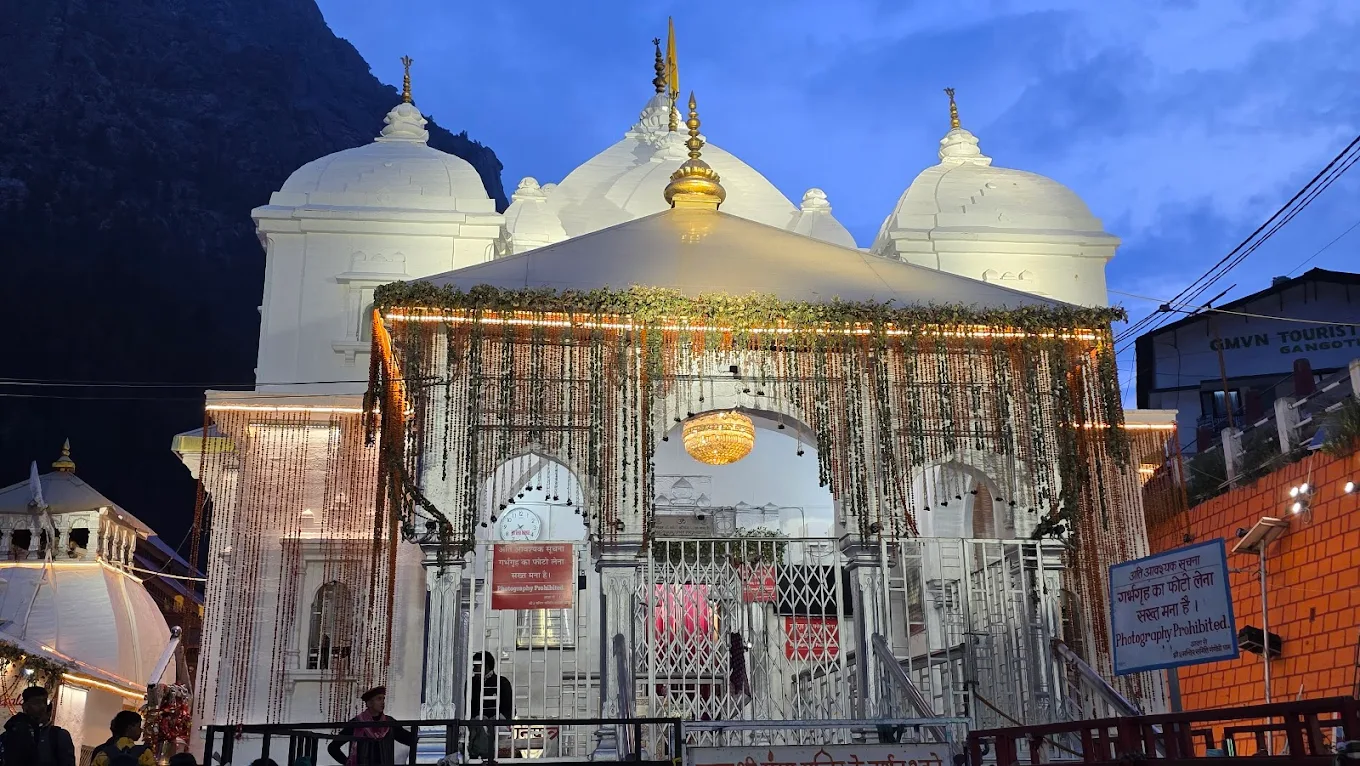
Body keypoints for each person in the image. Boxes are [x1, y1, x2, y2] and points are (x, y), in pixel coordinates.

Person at [326, 686, 415, 766]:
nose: (382, 702)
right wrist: (347, 763)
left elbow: (408, 739)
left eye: (383, 699)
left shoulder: (389, 723)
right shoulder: (357, 723)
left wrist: (416, 733)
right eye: (379, 699)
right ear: (369, 703)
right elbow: (333, 748)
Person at [0, 686, 76, 766]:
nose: (42, 707)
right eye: (37, 703)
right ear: (25, 707)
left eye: (44, 702)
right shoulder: (10, 734)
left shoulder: (58, 736)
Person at [466, 652, 513, 760]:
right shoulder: (471, 683)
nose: (473, 669)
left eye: (476, 666)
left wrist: (493, 719)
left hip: (498, 724)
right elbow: (469, 708)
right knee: (478, 727)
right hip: (478, 723)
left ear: (486, 666)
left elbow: (509, 708)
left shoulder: (502, 682)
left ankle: (485, 756)